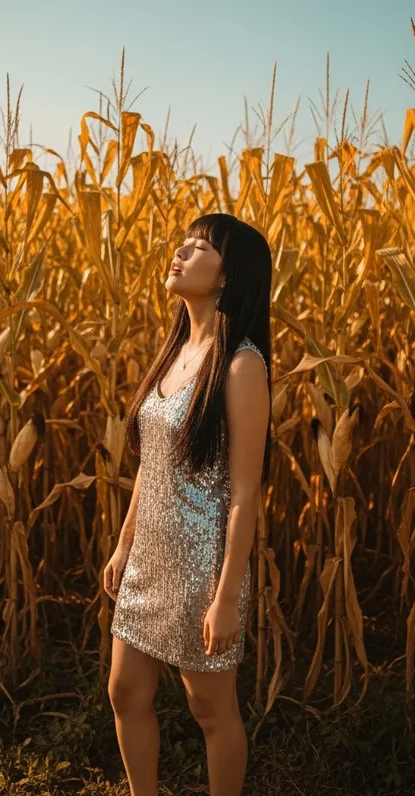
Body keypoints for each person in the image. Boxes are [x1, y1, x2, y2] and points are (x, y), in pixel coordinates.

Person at [103, 213, 272, 796]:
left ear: (228, 275)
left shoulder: (242, 365)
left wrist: (227, 597)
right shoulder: (175, 350)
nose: (179, 252)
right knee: (124, 692)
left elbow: (245, 491)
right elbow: (153, 463)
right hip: (149, 556)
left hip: (204, 568)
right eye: (184, 242)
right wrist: (125, 545)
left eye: (199, 247)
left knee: (211, 711)